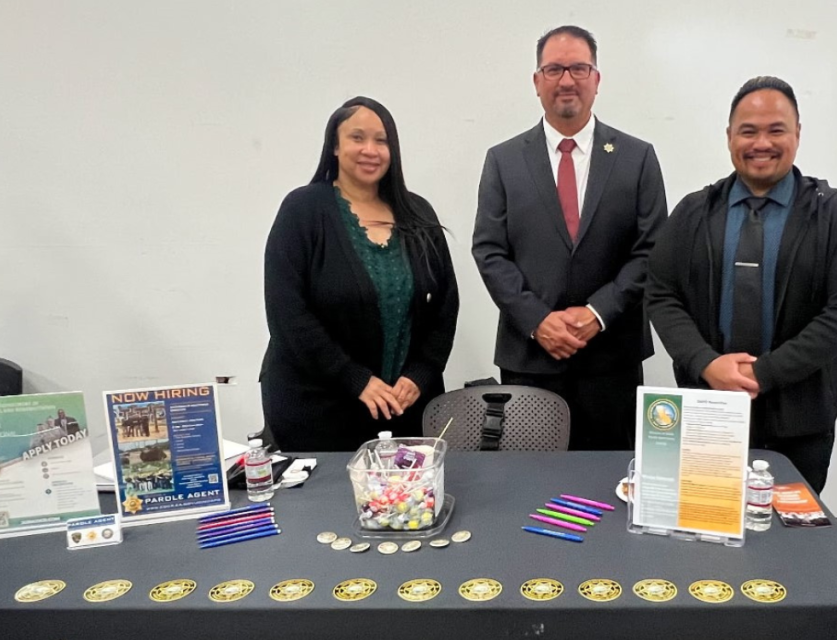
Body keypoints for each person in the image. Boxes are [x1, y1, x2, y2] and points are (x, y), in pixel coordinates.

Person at [646, 76, 837, 492]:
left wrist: (764, 373)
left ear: (798, 134)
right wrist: (704, 362)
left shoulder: (834, 217)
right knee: (707, 530)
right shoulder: (694, 213)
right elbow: (662, 295)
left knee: (790, 540)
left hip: (800, 420)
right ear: (729, 136)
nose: (761, 143)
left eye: (776, 130)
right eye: (748, 131)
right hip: (709, 410)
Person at [472, 25, 667, 450]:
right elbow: (489, 250)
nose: (566, 80)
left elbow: (652, 250)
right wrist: (537, 320)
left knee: (609, 488)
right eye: (554, 69)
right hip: (530, 359)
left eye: (579, 68)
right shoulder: (503, 160)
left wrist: (597, 313)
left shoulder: (637, 158)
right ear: (537, 81)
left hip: (611, 358)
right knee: (529, 486)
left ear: (597, 79)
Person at [259, 97, 459, 451]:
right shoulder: (302, 210)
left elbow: (445, 305)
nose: (370, 150)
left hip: (404, 408)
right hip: (316, 409)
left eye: (381, 140)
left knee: (403, 504)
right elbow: (287, 312)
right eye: (357, 138)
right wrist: (355, 379)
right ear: (334, 146)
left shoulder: (418, 213)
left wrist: (421, 373)